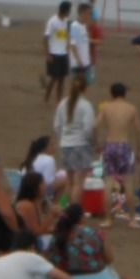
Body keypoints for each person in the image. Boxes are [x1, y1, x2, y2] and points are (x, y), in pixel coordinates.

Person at [46, 204, 140, 279]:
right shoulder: (94, 233)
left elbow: (51, 262)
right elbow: (109, 259)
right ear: (81, 218)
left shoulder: (56, 236)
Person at [96, 83, 140, 226]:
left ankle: (108, 219)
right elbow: (139, 131)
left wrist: (98, 144)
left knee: (108, 183)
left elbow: (95, 125)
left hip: (110, 144)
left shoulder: (106, 107)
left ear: (112, 94)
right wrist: (139, 150)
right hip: (124, 145)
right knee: (128, 183)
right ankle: (132, 219)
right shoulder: (131, 108)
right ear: (124, 94)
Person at [54, 75, 95, 204]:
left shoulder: (62, 104)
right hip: (81, 145)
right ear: (85, 88)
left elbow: (57, 126)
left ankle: (65, 207)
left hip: (65, 145)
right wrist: (90, 141)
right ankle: (74, 210)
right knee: (78, 182)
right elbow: (88, 128)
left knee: (69, 181)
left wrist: (64, 137)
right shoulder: (86, 105)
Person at [14, 172, 59, 247]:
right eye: (43, 184)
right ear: (35, 187)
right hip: (27, 244)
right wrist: (52, 215)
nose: (45, 186)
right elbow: (36, 232)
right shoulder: (27, 205)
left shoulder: (35, 203)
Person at [20, 135, 67, 203]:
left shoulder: (31, 158)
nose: (55, 147)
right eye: (52, 145)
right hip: (39, 191)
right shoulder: (49, 159)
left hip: (25, 189)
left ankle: (53, 204)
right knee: (67, 180)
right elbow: (48, 181)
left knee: (62, 178)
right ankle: (57, 204)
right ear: (44, 148)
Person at [43, 1, 72, 103]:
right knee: (54, 78)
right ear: (65, 10)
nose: (70, 12)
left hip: (63, 53)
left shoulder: (67, 21)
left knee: (62, 79)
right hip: (54, 53)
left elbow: (67, 35)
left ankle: (59, 100)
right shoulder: (52, 21)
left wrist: (68, 47)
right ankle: (46, 98)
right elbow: (46, 38)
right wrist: (47, 54)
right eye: (69, 10)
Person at [67, 4, 93, 84]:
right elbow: (72, 44)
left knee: (86, 84)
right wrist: (78, 60)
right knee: (76, 86)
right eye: (88, 13)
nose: (89, 16)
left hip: (86, 62)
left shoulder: (84, 26)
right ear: (82, 13)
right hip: (77, 64)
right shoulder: (74, 26)